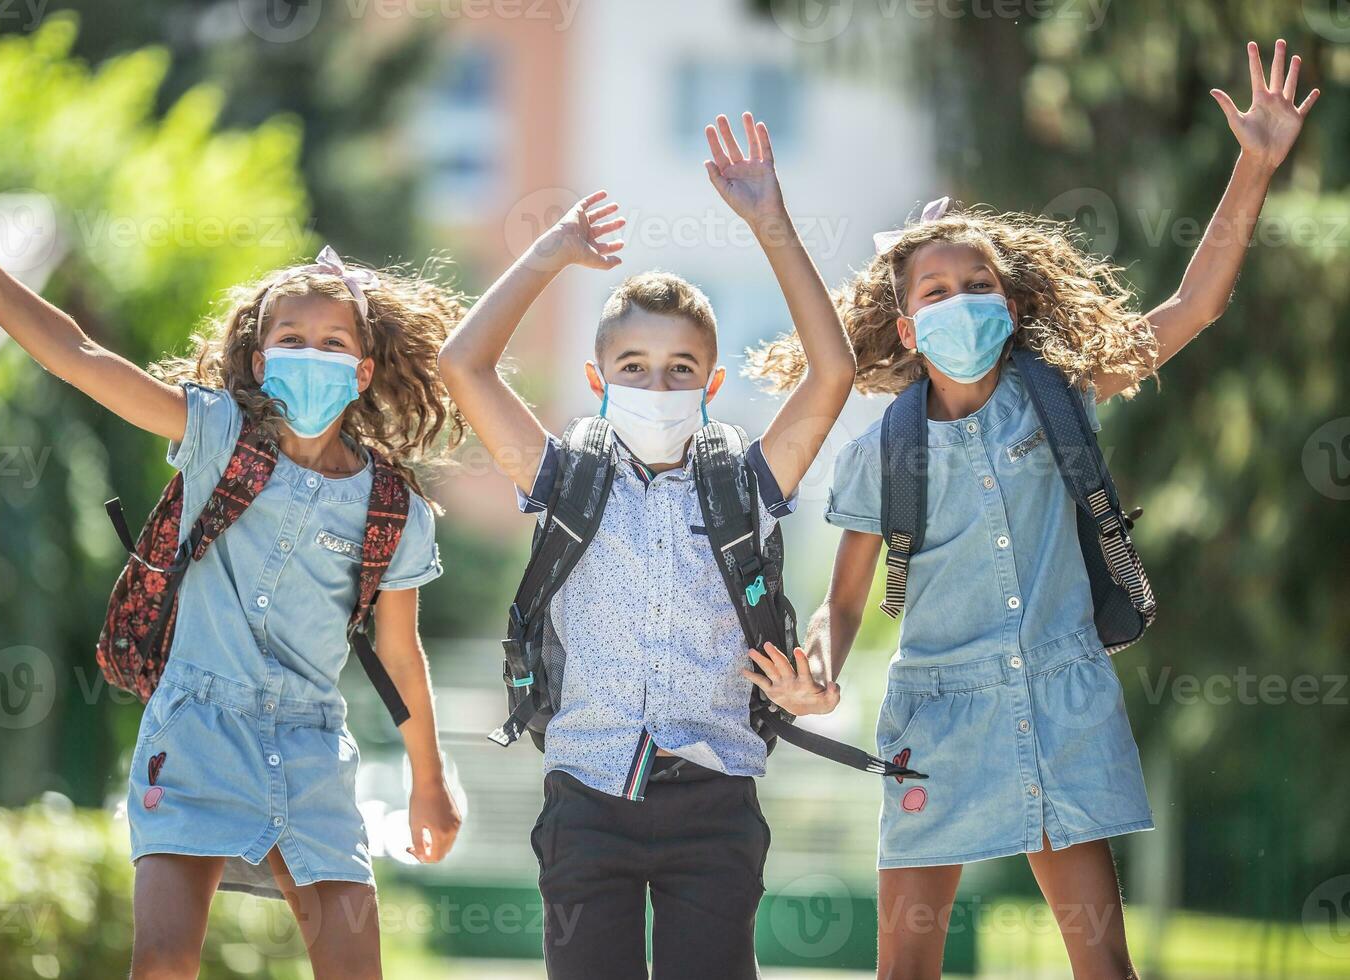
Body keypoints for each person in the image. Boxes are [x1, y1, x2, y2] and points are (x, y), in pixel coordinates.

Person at [746, 39, 1318, 980]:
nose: (962, 302)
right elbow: (842, 605)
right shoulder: (878, 451)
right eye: (938, 292)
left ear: (1009, 309)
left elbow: (1196, 304)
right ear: (907, 324)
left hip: (1063, 700)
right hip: (935, 719)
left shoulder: (1060, 395)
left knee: (1107, 971)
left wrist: (1253, 164)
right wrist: (816, 671)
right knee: (905, 973)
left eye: (981, 288)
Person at [0, 179, 465, 979]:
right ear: (260, 359)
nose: (312, 355)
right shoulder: (218, 437)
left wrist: (429, 782)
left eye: (332, 343)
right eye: (291, 340)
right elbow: (82, 358)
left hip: (313, 751)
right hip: (195, 734)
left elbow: (402, 656)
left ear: (366, 367)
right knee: (163, 962)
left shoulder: (392, 507)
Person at [437, 111, 856, 979]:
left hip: (717, 798)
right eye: (633, 365)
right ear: (598, 379)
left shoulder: (744, 479)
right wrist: (550, 251)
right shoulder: (564, 478)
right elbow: (462, 367)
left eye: (679, 370)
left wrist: (769, 221)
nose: (656, 383)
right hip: (588, 795)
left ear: (712, 383)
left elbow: (833, 372)